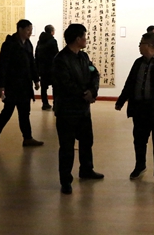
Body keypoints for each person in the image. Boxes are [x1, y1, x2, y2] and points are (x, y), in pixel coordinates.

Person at [115, 32, 154, 191]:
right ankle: (140, 165)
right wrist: (121, 101)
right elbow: (130, 83)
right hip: (139, 109)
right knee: (139, 140)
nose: (139, 46)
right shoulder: (138, 62)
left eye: (141, 43)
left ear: (150, 46)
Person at [52, 23, 104, 195]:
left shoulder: (83, 57)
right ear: (77, 39)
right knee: (67, 146)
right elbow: (65, 84)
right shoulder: (60, 59)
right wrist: (84, 94)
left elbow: (94, 73)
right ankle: (65, 180)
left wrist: (93, 91)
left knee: (87, 141)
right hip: (67, 110)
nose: (86, 40)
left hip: (83, 109)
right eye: (84, 37)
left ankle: (86, 169)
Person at [0, 19, 43, 150]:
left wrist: (36, 79)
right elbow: (2, 65)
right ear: (20, 29)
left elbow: (32, 63)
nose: (30, 33)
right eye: (28, 30)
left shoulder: (28, 44)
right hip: (11, 85)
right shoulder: (9, 44)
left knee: (24, 113)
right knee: (7, 112)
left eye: (31, 30)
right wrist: (0, 86)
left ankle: (27, 138)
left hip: (25, 86)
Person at [35, 24, 59, 110]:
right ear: (52, 32)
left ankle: (45, 104)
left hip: (42, 68)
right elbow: (56, 55)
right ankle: (55, 105)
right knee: (55, 87)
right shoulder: (53, 41)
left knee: (44, 87)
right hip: (51, 68)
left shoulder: (40, 41)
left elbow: (36, 55)